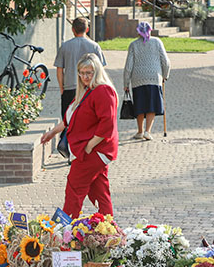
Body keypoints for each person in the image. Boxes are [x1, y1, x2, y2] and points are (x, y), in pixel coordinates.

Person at [40, 54, 118, 217]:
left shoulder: (103, 90)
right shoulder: (87, 91)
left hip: (94, 150)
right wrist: (52, 133)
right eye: (81, 73)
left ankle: (65, 230)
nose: (85, 77)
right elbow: (70, 117)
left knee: (74, 188)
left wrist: (89, 146)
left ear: (97, 71)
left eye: (89, 73)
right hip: (92, 150)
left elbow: (107, 124)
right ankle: (108, 230)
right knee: (100, 190)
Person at [122, 21, 170, 141]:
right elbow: (166, 62)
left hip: (137, 79)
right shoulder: (157, 42)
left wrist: (126, 83)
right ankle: (148, 132)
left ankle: (140, 131)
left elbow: (128, 67)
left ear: (138, 32)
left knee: (140, 104)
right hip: (154, 77)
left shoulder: (133, 45)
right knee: (151, 105)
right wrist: (165, 75)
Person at [54, 17, 106, 119]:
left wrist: (62, 88)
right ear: (87, 29)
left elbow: (59, 69)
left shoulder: (65, 47)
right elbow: (101, 70)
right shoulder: (95, 46)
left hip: (70, 88)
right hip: (90, 87)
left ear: (72, 29)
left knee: (68, 119)